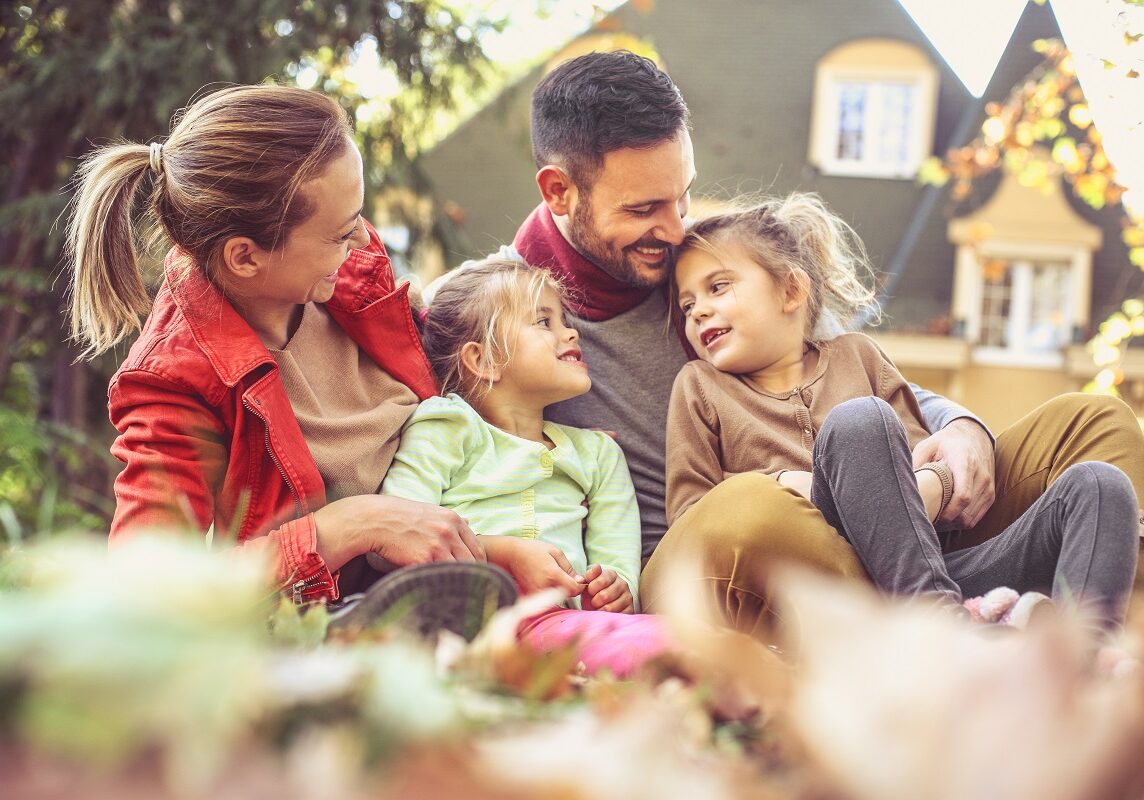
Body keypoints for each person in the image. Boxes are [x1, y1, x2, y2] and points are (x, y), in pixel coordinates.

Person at [450, 49, 1144, 637]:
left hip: (884, 519)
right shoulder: (507, 319)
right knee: (759, 505)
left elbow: (839, 367)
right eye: (643, 209)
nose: (674, 227)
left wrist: (958, 428)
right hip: (707, 552)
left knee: (1095, 425)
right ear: (560, 192)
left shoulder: (696, 264)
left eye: (682, 197)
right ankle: (940, 633)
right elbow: (426, 438)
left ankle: (1087, 668)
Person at [65, 84, 489, 605]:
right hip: (350, 622)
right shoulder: (174, 381)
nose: (363, 241)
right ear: (245, 257)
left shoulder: (335, 262)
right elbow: (147, 592)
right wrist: (345, 527)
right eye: (340, 233)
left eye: (358, 217)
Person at [667, 194, 1139, 630]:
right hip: (820, 582)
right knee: (860, 421)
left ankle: (1090, 663)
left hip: (931, 568)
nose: (699, 312)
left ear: (791, 291)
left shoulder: (859, 356)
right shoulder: (701, 387)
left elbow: (928, 462)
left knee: (1100, 485)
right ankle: (943, 631)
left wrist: (914, 489)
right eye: (688, 305)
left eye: (718, 287)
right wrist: (785, 490)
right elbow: (693, 518)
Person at [380, 258, 672, 676]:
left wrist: (612, 586)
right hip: (460, 618)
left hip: (565, 625)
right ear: (482, 360)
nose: (570, 332)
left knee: (672, 641)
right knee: (668, 646)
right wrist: (504, 554)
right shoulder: (448, 426)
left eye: (564, 319)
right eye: (543, 321)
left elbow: (616, 558)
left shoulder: (596, 453)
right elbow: (395, 533)